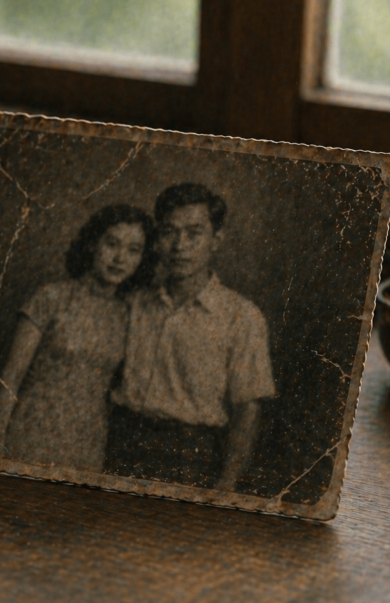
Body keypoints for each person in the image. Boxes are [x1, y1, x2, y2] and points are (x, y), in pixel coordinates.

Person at [107, 183, 275, 491]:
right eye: (169, 232)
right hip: (121, 443)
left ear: (216, 240)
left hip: (192, 457)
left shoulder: (242, 317)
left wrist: (227, 483)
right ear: (156, 240)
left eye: (194, 233)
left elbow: (247, 410)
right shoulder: (132, 304)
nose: (180, 245)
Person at [0, 205, 155, 472]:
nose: (120, 258)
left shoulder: (129, 316)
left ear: (141, 259)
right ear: (92, 244)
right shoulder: (51, 297)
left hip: (87, 445)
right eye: (112, 244)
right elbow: (12, 375)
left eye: (133, 250)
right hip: (30, 434)